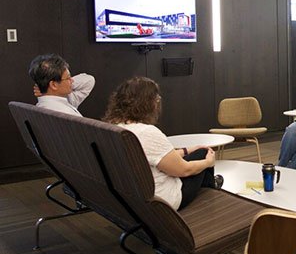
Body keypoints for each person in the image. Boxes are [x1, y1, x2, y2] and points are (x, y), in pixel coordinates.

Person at [104, 77, 222, 211]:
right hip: (163, 200)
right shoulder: (147, 132)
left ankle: (211, 186)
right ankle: (211, 193)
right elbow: (184, 170)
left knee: (198, 152)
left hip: (133, 196)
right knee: (204, 153)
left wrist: (187, 150)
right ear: (149, 103)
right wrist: (209, 162)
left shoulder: (114, 127)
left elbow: (155, 157)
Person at [29, 53, 95, 116]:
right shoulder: (67, 114)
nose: (72, 81)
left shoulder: (43, 105)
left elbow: (89, 80)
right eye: (68, 78)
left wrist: (43, 86)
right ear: (54, 85)